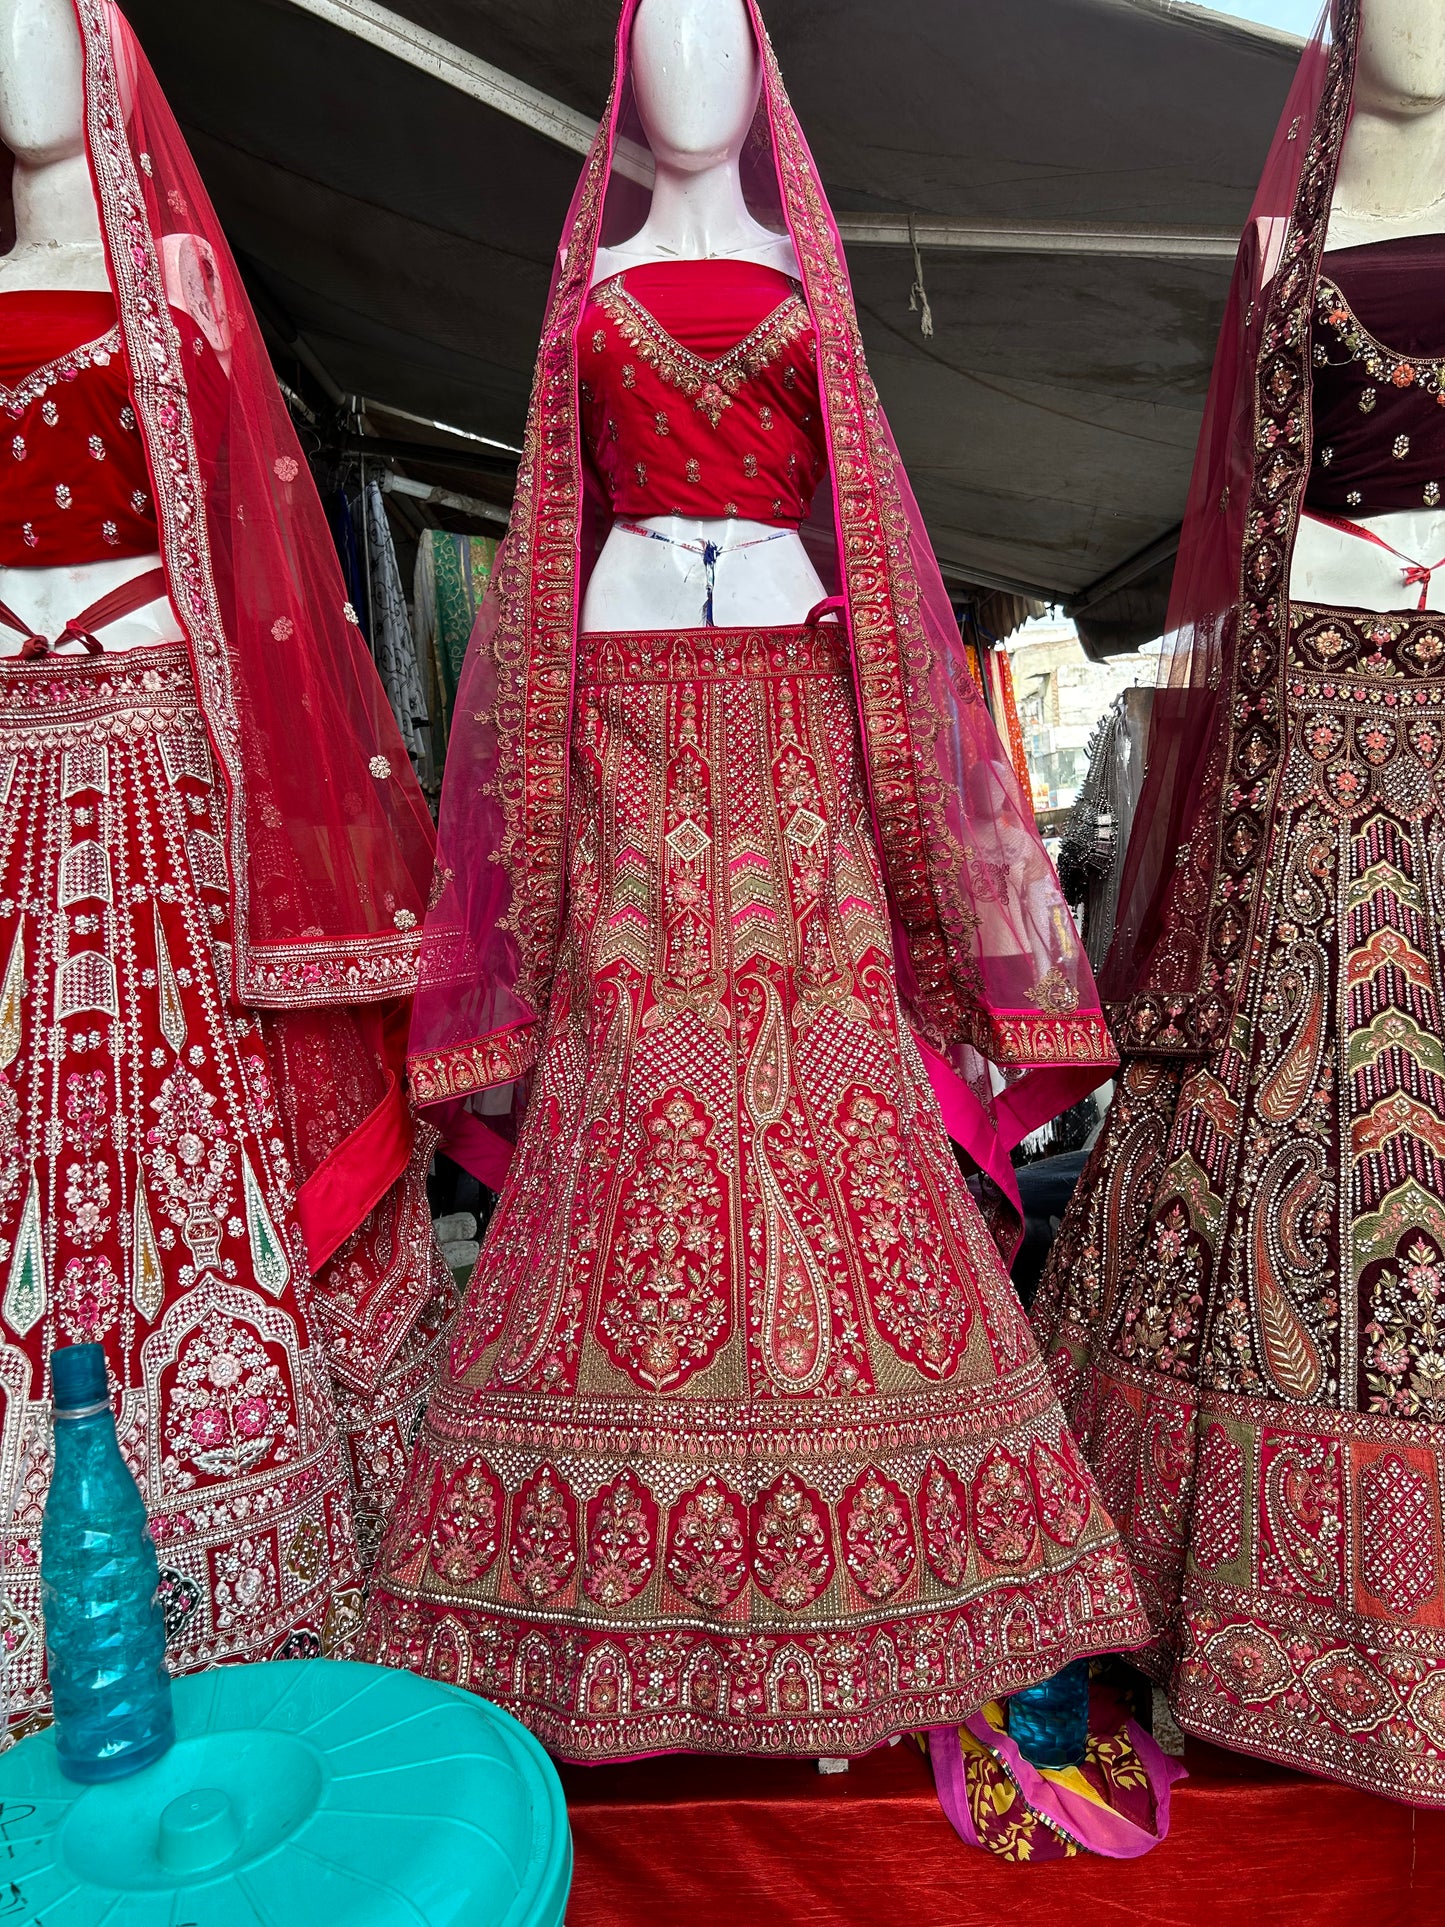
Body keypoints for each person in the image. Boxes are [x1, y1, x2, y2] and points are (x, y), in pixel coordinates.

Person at [365, 0, 1146, 1761]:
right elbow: (553, 518)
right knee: (640, 1082)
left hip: (794, 700)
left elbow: (863, 507)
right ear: (622, 77)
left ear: (761, 68)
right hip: (623, 694)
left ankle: (884, 1564)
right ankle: (602, 1586)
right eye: (665, 41)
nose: (695, 73)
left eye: (722, 38)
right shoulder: (585, 291)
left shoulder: (812, 280)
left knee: (830, 1078)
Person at [0, 0, 451, 1726]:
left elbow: (263, 583)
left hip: (162, 782)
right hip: (11, 777)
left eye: (44, 26)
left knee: (202, 1128)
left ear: (107, 51)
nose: (15, 65)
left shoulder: (184, 288)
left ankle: (243, 1526)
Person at [1033, 0, 1445, 1805]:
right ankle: (1247, 1609)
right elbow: (1245, 521)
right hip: (1314, 739)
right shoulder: (1289, 230)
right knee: (1286, 1115)